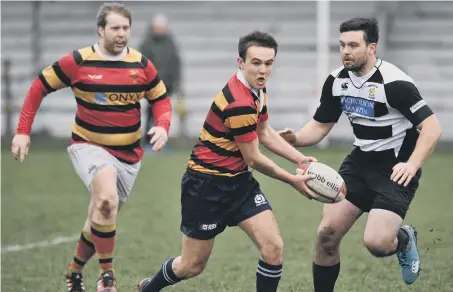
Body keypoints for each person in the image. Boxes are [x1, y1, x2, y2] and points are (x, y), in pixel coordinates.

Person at [137, 31, 318, 292]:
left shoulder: (257, 88)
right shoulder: (238, 102)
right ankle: (149, 288)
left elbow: (265, 131)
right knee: (191, 265)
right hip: (205, 187)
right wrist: (292, 179)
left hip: (239, 184)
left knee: (273, 246)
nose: (263, 69)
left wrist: (301, 159)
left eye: (269, 63)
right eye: (256, 62)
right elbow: (254, 158)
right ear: (240, 63)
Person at [10, 3, 173, 292]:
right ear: (100, 30)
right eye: (115, 28)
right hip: (88, 146)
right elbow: (39, 86)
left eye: (126, 28)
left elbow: (160, 98)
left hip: (129, 155)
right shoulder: (78, 61)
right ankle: (107, 277)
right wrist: (23, 131)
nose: (121, 34)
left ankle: (74, 272)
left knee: (101, 215)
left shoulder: (141, 64)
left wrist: (162, 125)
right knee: (106, 200)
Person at [278, 17, 442, 291]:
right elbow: (320, 125)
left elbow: (432, 128)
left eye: (353, 45)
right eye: (342, 45)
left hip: (396, 168)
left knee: (377, 244)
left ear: (371, 48)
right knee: (327, 235)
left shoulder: (394, 83)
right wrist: (296, 138)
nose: (346, 51)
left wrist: (412, 165)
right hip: (359, 162)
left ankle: (403, 238)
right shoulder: (337, 80)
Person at [139, 13, 182, 144]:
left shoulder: (170, 42)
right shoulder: (147, 43)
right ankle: (148, 140)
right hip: (152, 85)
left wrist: (176, 83)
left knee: (164, 114)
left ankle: (161, 140)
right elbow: (141, 64)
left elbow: (176, 63)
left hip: (168, 85)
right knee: (151, 113)